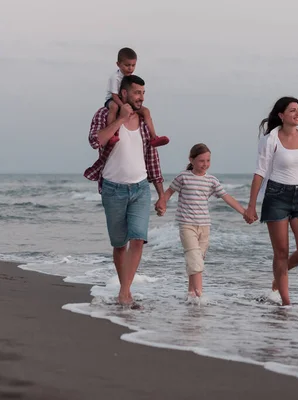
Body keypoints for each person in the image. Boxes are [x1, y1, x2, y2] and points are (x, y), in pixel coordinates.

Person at [84, 74, 165, 307]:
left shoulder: (143, 119)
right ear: (125, 93)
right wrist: (119, 119)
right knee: (120, 245)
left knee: (138, 239)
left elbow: (152, 157)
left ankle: (124, 292)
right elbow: (96, 141)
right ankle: (125, 291)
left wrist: (161, 193)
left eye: (143, 93)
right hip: (113, 189)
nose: (141, 97)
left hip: (140, 188)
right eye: (137, 92)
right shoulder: (103, 114)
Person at [243, 96, 298, 306]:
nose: (297, 113)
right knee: (280, 252)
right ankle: (286, 304)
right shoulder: (270, 139)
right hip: (276, 196)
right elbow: (260, 172)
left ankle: (279, 275)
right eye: (292, 110)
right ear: (281, 115)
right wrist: (251, 205)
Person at [155, 143, 247, 300]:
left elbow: (227, 197)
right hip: (187, 225)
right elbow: (168, 192)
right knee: (195, 259)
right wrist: (161, 204)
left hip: (204, 227)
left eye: (208, 160)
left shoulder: (211, 180)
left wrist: (245, 212)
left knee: (197, 260)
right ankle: (199, 296)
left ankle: (191, 294)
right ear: (191, 160)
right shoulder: (183, 177)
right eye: (201, 161)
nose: (205, 164)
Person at [104, 47, 169, 147]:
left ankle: (154, 137)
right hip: (113, 100)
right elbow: (114, 95)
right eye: (127, 65)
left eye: (133, 65)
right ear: (118, 64)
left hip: (126, 101)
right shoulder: (115, 78)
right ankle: (112, 135)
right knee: (114, 107)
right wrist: (123, 106)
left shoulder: (131, 77)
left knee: (146, 111)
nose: (130, 68)